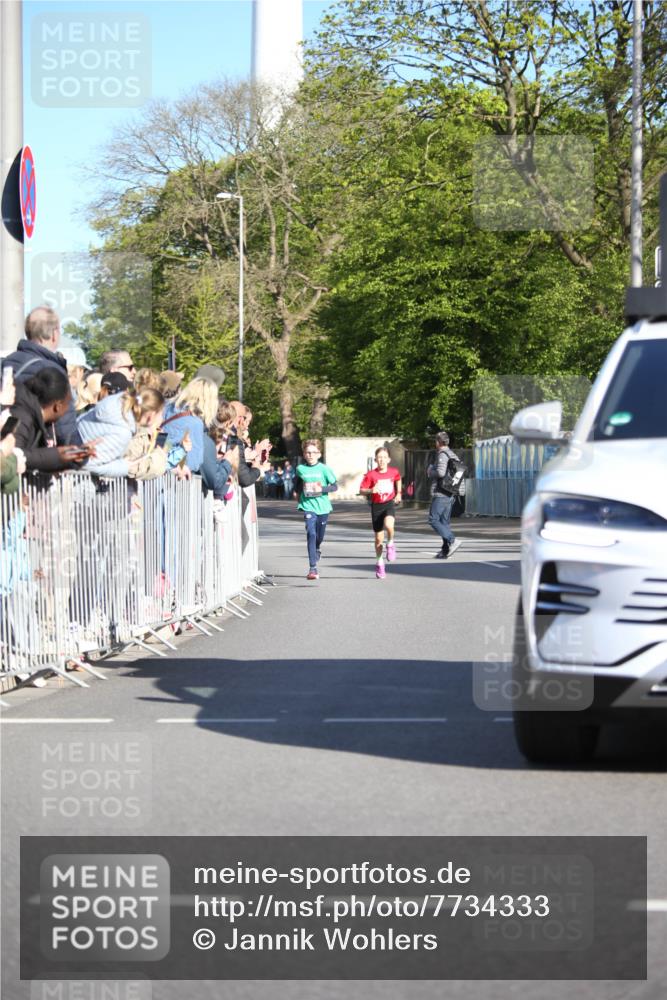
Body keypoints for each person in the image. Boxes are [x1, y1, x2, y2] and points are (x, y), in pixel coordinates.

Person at [2, 306, 81, 445]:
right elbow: (65, 428)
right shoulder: (53, 369)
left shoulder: (6, 363)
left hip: (6, 443)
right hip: (35, 451)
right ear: (54, 334)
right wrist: (79, 453)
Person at [9, 368, 91, 477]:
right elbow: (10, 456)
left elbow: (36, 459)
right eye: (69, 404)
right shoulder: (19, 416)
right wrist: (58, 455)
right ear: (58, 406)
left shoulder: (42, 421)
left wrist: (73, 458)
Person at [77, 386, 164, 477]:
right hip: (75, 482)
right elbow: (88, 463)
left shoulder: (116, 403)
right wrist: (123, 467)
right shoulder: (122, 432)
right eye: (160, 414)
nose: (161, 418)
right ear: (151, 416)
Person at [294, 439, 337, 581]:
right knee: (311, 534)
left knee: (319, 536)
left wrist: (321, 489)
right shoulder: (300, 469)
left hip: (323, 507)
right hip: (308, 507)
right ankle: (313, 568)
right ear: (304, 454)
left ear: (319, 454)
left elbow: (334, 486)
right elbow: (298, 483)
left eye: (313, 452)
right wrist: (296, 493)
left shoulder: (324, 469)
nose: (310, 455)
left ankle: (317, 548)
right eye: (308, 452)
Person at [359, 447, 402, 579]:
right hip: (376, 506)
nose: (382, 459)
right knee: (378, 539)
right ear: (376, 459)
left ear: (389, 459)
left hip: (389, 504)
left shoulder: (393, 472)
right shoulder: (371, 475)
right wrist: (372, 490)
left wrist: (399, 493)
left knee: (389, 526)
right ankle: (379, 562)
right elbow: (361, 490)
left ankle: (390, 543)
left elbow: (398, 479)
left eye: (384, 457)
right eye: (379, 457)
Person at [427, 430, 463, 559]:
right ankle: (445, 550)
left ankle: (452, 540)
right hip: (451, 492)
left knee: (433, 519)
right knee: (444, 522)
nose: (434, 443)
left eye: (435, 441)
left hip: (441, 492)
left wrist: (430, 471)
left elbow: (441, 473)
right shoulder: (452, 454)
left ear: (439, 442)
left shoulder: (442, 454)